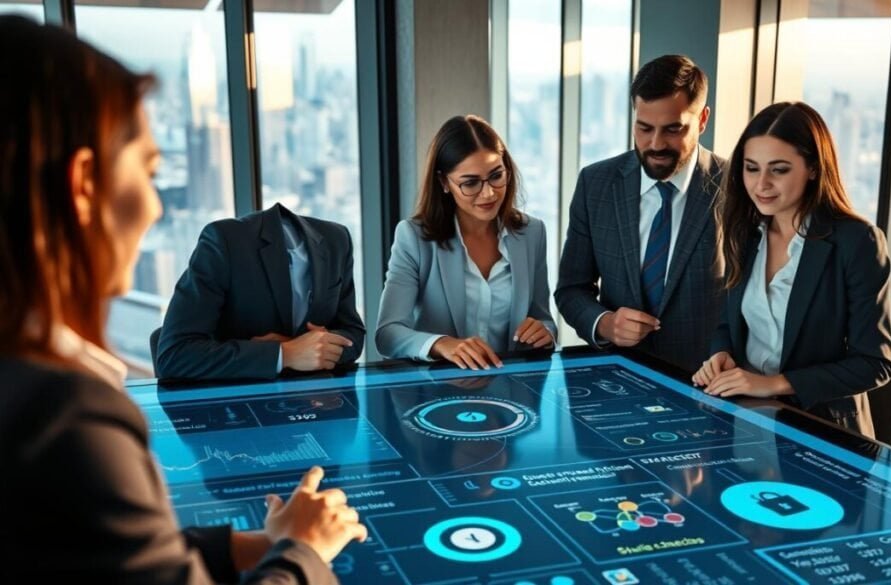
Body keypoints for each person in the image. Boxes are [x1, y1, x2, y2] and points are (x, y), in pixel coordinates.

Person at [0, 16, 365, 582]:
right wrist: (304, 552)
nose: (154, 208)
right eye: (147, 172)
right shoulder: (63, 418)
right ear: (83, 184)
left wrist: (255, 545)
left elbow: (93, 548)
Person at [692, 101, 891, 438]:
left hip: (820, 429)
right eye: (751, 168)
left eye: (779, 169)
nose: (761, 184)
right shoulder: (744, 231)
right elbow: (729, 323)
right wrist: (721, 354)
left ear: (813, 168)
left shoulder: (857, 241)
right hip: (745, 421)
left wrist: (772, 384)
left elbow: (875, 363)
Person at [555, 54, 725, 372]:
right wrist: (604, 324)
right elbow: (571, 289)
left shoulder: (738, 191)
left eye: (673, 129)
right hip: (617, 379)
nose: (655, 144)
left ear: (702, 120)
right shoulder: (596, 184)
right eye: (644, 128)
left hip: (708, 388)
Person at [376, 115, 555, 369]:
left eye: (496, 175)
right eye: (470, 183)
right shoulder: (413, 237)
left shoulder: (531, 233)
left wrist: (544, 331)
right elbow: (388, 334)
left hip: (512, 387)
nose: (489, 193)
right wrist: (443, 344)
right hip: (440, 389)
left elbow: (542, 317)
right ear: (443, 183)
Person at [155, 202, 365, 380]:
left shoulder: (336, 239)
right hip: (234, 405)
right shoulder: (224, 240)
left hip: (314, 399)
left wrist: (316, 347)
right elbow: (174, 355)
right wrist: (286, 354)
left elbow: (353, 333)